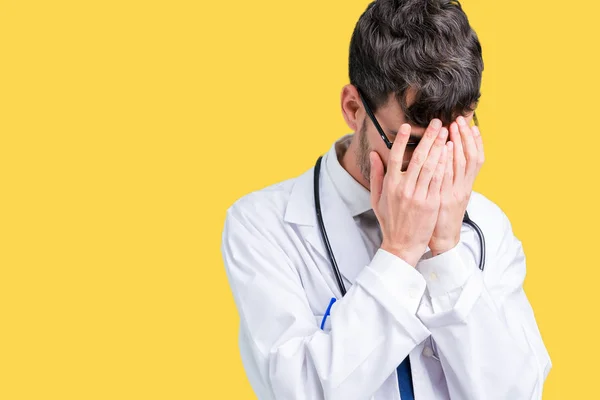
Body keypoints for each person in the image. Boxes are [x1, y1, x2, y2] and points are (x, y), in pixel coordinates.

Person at [220, 0, 551, 399]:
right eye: (409, 143)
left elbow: (518, 393)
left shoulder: (486, 225)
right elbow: (302, 391)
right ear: (353, 108)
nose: (433, 163)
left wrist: (446, 254)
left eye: (452, 137)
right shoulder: (262, 225)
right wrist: (399, 251)